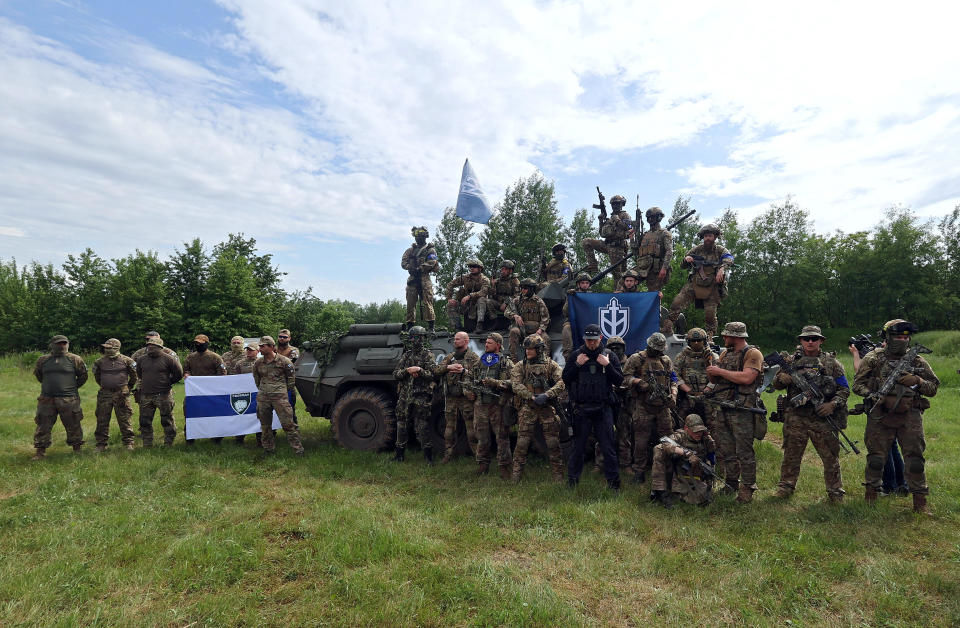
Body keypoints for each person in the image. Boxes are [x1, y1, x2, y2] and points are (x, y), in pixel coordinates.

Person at [853, 319, 939, 514]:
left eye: (905, 337)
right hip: (880, 415)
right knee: (876, 459)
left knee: (915, 459)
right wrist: (872, 394)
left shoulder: (917, 360)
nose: (901, 341)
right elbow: (857, 384)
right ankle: (870, 498)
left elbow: (933, 387)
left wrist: (916, 381)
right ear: (887, 338)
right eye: (897, 337)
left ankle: (920, 503)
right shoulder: (873, 358)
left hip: (910, 415)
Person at [770, 326, 850, 503]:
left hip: (822, 418)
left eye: (814, 338)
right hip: (796, 417)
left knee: (830, 457)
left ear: (821, 340)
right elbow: (776, 384)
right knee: (791, 454)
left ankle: (835, 492)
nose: (810, 342)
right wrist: (781, 379)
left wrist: (832, 404)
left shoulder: (832, 363)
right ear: (801, 341)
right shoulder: (790, 361)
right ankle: (786, 486)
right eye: (806, 339)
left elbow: (844, 389)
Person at [704, 322, 763, 503]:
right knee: (725, 449)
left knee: (744, 451)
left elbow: (747, 378)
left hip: (743, 409)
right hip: (724, 407)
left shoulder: (752, 354)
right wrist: (712, 372)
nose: (724, 338)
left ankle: (747, 488)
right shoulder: (725, 353)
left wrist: (719, 370)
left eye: (726, 336)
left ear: (735, 336)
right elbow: (717, 378)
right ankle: (731, 483)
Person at [562, 324, 623, 490]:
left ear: (600, 338)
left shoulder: (609, 355)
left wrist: (607, 365)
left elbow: (619, 381)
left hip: (603, 409)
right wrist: (576, 365)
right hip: (581, 410)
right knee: (578, 449)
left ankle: (614, 485)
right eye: (588, 340)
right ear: (584, 339)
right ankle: (572, 483)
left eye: (594, 340)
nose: (591, 343)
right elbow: (565, 379)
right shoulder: (576, 355)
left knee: (608, 448)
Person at [848, 340, 907, 496]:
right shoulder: (900, 356)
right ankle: (902, 484)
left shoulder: (878, 357)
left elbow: (858, 374)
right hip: (898, 406)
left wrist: (855, 354)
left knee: (882, 448)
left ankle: (890, 486)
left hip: (882, 408)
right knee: (892, 446)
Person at [622, 332, 678, 483]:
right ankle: (639, 471)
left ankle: (669, 469)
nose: (660, 353)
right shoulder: (636, 359)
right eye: (657, 350)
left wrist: (673, 394)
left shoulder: (665, 360)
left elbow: (673, 379)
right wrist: (638, 382)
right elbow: (625, 378)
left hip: (663, 406)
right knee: (641, 440)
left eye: (661, 350)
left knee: (668, 438)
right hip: (643, 405)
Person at [662, 224, 734, 340]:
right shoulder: (697, 249)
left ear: (715, 237)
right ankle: (667, 327)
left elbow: (729, 258)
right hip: (695, 282)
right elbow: (683, 263)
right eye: (705, 236)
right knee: (676, 303)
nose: (707, 238)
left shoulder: (720, 250)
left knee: (710, 313)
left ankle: (709, 336)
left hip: (713, 285)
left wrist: (722, 268)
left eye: (710, 236)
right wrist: (686, 259)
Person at [510, 334, 566, 482]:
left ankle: (558, 476)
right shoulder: (521, 366)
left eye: (531, 349)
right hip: (528, 407)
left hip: (547, 408)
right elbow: (515, 384)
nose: (528, 352)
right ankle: (516, 476)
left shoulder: (551, 365)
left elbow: (561, 383)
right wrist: (531, 396)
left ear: (539, 349)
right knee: (522, 444)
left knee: (553, 443)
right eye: (526, 349)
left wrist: (547, 395)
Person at [31, 335, 88, 459]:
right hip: (46, 399)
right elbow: (39, 376)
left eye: (64, 343)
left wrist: (71, 387)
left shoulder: (75, 359)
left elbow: (83, 376)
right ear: (52, 345)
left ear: (68, 344)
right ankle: (40, 451)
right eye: (59, 343)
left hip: (69, 399)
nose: (62, 346)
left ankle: (77, 449)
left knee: (73, 423)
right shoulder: (43, 360)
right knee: (43, 424)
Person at [674, 328, 721, 471]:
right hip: (688, 397)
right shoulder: (682, 355)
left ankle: (712, 458)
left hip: (707, 397)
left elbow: (718, 374)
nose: (696, 343)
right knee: (683, 425)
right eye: (693, 341)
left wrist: (707, 388)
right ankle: (684, 456)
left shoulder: (711, 356)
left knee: (712, 427)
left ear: (704, 341)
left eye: (699, 340)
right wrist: (686, 389)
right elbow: (674, 374)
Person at [649, 414, 717, 508]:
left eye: (701, 431)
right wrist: (685, 453)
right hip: (678, 472)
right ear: (686, 428)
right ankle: (661, 492)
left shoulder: (706, 440)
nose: (698, 434)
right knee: (659, 449)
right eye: (695, 431)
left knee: (702, 497)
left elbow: (711, 457)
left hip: (696, 474)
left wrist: (708, 469)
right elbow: (665, 442)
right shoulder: (680, 436)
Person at [252, 335, 304, 456]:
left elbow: (291, 379)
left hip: (280, 398)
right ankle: (268, 449)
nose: (260, 348)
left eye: (263, 346)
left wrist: (282, 391)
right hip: (263, 398)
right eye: (259, 346)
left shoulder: (284, 361)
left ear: (271, 347)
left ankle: (298, 450)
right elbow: (257, 379)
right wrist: (264, 390)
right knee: (265, 426)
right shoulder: (258, 363)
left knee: (288, 424)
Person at [471, 332, 514, 477]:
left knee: (502, 437)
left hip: (498, 405)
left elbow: (513, 382)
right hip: (481, 404)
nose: (486, 344)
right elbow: (471, 377)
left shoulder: (505, 362)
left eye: (489, 342)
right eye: (486, 342)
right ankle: (483, 464)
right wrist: (470, 390)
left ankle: (504, 467)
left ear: (498, 345)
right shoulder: (480, 361)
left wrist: (494, 383)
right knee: (482, 436)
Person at [392, 326, 437, 464]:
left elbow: (433, 374)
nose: (415, 340)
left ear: (423, 338)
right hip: (405, 395)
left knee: (422, 425)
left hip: (421, 396)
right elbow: (396, 374)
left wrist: (420, 370)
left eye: (417, 337)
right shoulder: (406, 355)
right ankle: (399, 455)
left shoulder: (428, 355)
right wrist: (407, 371)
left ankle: (428, 457)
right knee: (401, 424)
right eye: (413, 337)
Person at [435, 331, 481, 463]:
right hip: (451, 398)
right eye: (454, 339)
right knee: (449, 430)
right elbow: (437, 370)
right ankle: (448, 454)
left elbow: (479, 376)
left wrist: (464, 371)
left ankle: (478, 457)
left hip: (466, 398)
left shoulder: (473, 358)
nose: (455, 341)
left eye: (458, 339)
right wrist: (448, 367)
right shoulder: (450, 357)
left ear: (466, 341)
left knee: (472, 430)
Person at [135, 337, 183, 447]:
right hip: (146, 395)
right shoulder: (141, 359)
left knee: (167, 419)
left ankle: (169, 442)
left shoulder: (169, 359)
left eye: (154, 347)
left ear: (160, 347)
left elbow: (178, 374)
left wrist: (168, 383)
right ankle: (147, 443)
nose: (151, 348)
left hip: (164, 395)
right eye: (149, 346)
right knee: (144, 421)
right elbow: (139, 373)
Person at [91, 338, 137, 452]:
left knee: (124, 418)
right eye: (105, 348)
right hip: (104, 394)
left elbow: (134, 376)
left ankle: (128, 442)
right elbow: (97, 376)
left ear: (116, 348)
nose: (107, 350)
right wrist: (105, 385)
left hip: (121, 393)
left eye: (109, 348)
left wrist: (128, 387)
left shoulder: (127, 361)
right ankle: (101, 444)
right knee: (102, 418)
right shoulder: (99, 362)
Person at [183, 333, 227, 444]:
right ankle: (190, 437)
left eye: (200, 343)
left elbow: (222, 373)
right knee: (190, 412)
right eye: (196, 343)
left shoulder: (215, 357)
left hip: (212, 392)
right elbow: (186, 370)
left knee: (214, 415)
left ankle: (216, 437)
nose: (198, 345)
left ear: (206, 343)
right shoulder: (190, 357)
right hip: (195, 392)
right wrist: (187, 375)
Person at [582, 194, 634, 286]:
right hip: (607, 245)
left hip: (617, 247)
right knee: (587, 241)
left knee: (617, 273)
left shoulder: (625, 215)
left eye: (618, 204)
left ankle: (619, 293)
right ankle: (593, 265)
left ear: (622, 204)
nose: (615, 206)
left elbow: (629, 227)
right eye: (613, 204)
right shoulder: (610, 218)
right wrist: (601, 221)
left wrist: (617, 220)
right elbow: (602, 234)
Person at [401, 226, 439, 331]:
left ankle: (431, 327)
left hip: (424, 278)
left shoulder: (430, 250)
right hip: (413, 279)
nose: (418, 238)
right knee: (410, 303)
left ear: (425, 237)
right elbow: (403, 262)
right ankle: (410, 326)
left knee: (428, 302)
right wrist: (410, 267)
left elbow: (432, 262)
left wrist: (420, 268)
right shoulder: (410, 250)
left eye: (420, 236)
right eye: (416, 236)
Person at [630, 206, 673, 293]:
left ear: (659, 217)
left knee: (653, 294)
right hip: (642, 266)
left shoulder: (664, 234)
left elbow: (669, 251)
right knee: (626, 280)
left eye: (652, 217)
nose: (650, 219)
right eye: (648, 217)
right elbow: (635, 252)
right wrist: (631, 238)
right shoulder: (645, 235)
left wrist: (664, 268)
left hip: (656, 269)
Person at [505, 278, 550, 361]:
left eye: (525, 288)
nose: (523, 290)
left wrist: (540, 330)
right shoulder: (517, 300)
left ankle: (545, 361)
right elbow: (506, 312)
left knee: (546, 339)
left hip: (536, 330)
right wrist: (515, 316)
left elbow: (545, 318)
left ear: (531, 289)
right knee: (513, 331)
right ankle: (513, 359)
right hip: (521, 329)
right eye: (521, 288)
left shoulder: (539, 301)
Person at [445, 259, 492, 332]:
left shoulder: (485, 280)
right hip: (466, 305)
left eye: (474, 266)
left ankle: (479, 325)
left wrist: (470, 296)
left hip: (479, 307)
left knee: (481, 300)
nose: (471, 268)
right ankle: (457, 328)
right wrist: (449, 298)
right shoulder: (465, 278)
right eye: (470, 266)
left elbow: (484, 292)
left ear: (480, 268)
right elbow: (450, 284)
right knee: (450, 305)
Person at [477, 260, 519, 332]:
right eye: (502, 269)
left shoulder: (514, 281)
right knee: (488, 301)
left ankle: (512, 324)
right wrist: (492, 285)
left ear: (510, 271)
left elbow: (517, 295)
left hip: (510, 305)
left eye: (505, 269)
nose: (503, 271)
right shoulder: (497, 281)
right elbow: (492, 295)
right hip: (498, 303)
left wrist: (506, 302)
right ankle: (494, 321)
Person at [561, 272, 593, 361]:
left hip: (588, 321)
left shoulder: (593, 296)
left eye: (587, 283)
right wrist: (569, 299)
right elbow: (565, 312)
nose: (585, 285)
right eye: (582, 283)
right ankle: (568, 358)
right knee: (567, 328)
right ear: (578, 284)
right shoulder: (573, 295)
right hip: (574, 321)